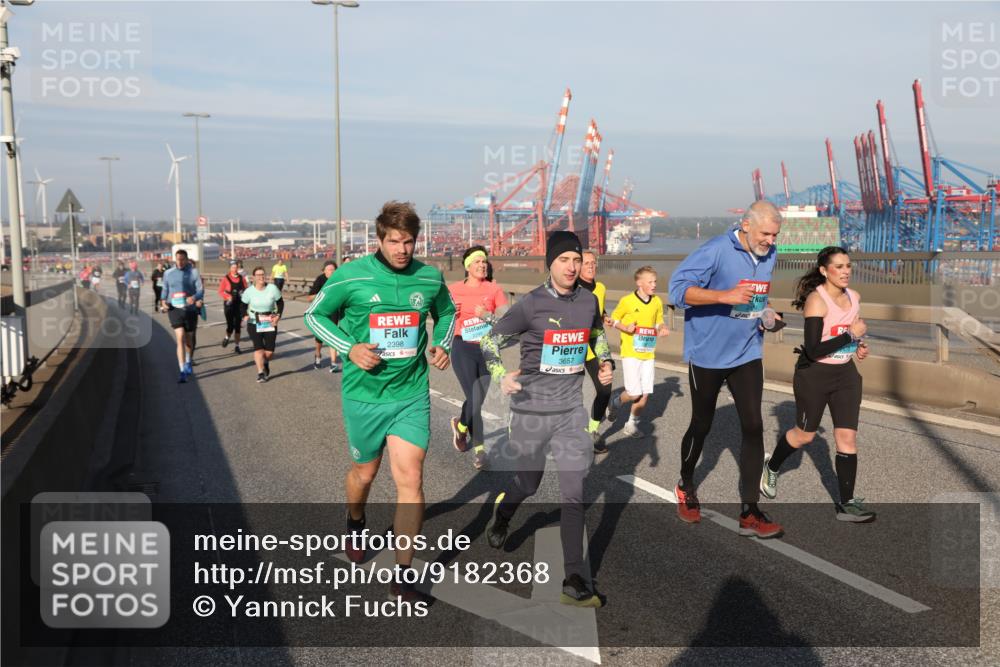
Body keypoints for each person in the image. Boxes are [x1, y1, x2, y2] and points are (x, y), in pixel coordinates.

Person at [304, 201, 455, 604]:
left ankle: (404, 573)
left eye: (409, 241)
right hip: (364, 396)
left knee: (411, 479)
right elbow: (314, 317)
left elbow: (447, 312)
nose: (402, 249)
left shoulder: (428, 277)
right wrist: (349, 347)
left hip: (410, 394)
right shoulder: (352, 276)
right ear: (380, 239)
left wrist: (441, 344)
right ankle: (355, 521)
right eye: (394, 241)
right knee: (364, 475)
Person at [481, 231, 613, 608]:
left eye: (577, 260)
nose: (572, 267)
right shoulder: (532, 305)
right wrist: (500, 376)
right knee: (529, 483)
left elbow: (597, 336)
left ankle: (574, 578)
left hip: (571, 411)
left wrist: (605, 364)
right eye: (564, 261)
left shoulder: (588, 301)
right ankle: (505, 511)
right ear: (550, 264)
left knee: (574, 494)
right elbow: (490, 341)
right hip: (531, 413)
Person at [667, 200, 784, 538]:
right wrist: (724, 295)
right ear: (745, 225)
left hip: (747, 353)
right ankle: (686, 485)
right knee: (701, 425)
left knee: (753, 426)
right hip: (707, 355)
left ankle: (750, 511)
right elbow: (677, 291)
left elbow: (757, 297)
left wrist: (767, 314)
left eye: (775, 235)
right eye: (765, 233)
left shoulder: (769, 254)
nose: (770, 241)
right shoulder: (717, 249)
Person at [760, 247, 874, 522]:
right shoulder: (816, 301)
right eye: (839, 266)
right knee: (805, 435)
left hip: (845, 375)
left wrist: (857, 345)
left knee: (847, 438)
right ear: (824, 270)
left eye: (848, 265)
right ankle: (771, 466)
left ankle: (846, 504)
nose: (846, 271)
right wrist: (850, 335)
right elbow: (812, 349)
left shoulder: (854, 298)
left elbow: (846, 335)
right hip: (814, 375)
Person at [448, 245, 509, 470]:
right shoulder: (453, 290)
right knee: (474, 396)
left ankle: (461, 425)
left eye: (484, 262)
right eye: (477, 262)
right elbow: (438, 314)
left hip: (487, 349)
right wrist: (447, 313)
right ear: (467, 267)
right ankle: (480, 451)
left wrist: (486, 315)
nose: (482, 265)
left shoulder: (494, 289)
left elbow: (507, 320)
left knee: (479, 398)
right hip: (462, 346)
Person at [607, 266, 670, 437]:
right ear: (639, 283)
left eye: (655, 281)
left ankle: (631, 425)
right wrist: (625, 328)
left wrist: (662, 328)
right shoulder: (627, 301)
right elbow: (614, 320)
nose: (654, 285)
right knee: (634, 393)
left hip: (648, 353)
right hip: (631, 352)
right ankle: (616, 402)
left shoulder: (656, 301)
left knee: (645, 393)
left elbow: (658, 321)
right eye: (650, 282)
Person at [577, 250, 613, 453]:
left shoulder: (600, 288)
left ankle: (592, 429)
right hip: (574, 344)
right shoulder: (573, 289)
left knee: (605, 389)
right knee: (570, 391)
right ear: (578, 266)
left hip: (595, 341)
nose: (591, 266)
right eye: (586, 263)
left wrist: (605, 316)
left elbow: (599, 310)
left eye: (593, 263)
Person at [159, 249, 204, 383]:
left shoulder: (194, 272)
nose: (180, 262)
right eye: (178, 259)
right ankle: (182, 370)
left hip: (190, 309)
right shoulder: (168, 273)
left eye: (182, 259)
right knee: (180, 338)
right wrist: (163, 302)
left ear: (186, 259)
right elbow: (165, 289)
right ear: (175, 259)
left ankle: (189, 360)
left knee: (189, 340)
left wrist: (194, 297)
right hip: (174, 309)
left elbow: (200, 290)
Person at [241, 266, 284, 383]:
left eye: (263, 274)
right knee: (258, 349)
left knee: (269, 352)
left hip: (269, 320)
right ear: (254, 277)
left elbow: (280, 303)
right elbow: (243, 306)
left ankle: (265, 362)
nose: (261, 277)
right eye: (258, 275)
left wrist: (278, 316)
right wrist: (244, 315)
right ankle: (260, 373)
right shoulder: (249, 291)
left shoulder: (272, 288)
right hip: (254, 321)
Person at [307, 260, 342, 372]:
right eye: (329, 269)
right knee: (319, 337)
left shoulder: (339, 280)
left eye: (334, 269)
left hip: (334, 311)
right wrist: (323, 294)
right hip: (321, 311)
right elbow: (310, 297)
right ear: (324, 271)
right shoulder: (320, 279)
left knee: (333, 335)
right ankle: (318, 356)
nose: (332, 271)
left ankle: (333, 363)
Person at [219, 260, 248, 354]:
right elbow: (220, 291)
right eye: (233, 267)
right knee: (230, 326)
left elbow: (246, 290)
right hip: (229, 305)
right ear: (230, 268)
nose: (234, 269)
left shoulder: (242, 278)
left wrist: (245, 295)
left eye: (236, 267)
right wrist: (227, 296)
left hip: (239, 305)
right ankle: (227, 337)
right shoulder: (226, 278)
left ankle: (237, 346)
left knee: (238, 326)